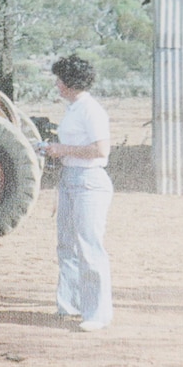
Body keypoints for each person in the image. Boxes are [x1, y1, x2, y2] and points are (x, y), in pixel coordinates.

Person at [44, 54, 113, 332]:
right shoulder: (72, 108)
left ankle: (97, 312)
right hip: (70, 177)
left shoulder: (91, 109)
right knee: (67, 245)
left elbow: (101, 150)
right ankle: (70, 303)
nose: (57, 84)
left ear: (72, 81)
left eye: (60, 79)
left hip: (89, 182)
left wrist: (63, 150)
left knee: (89, 246)